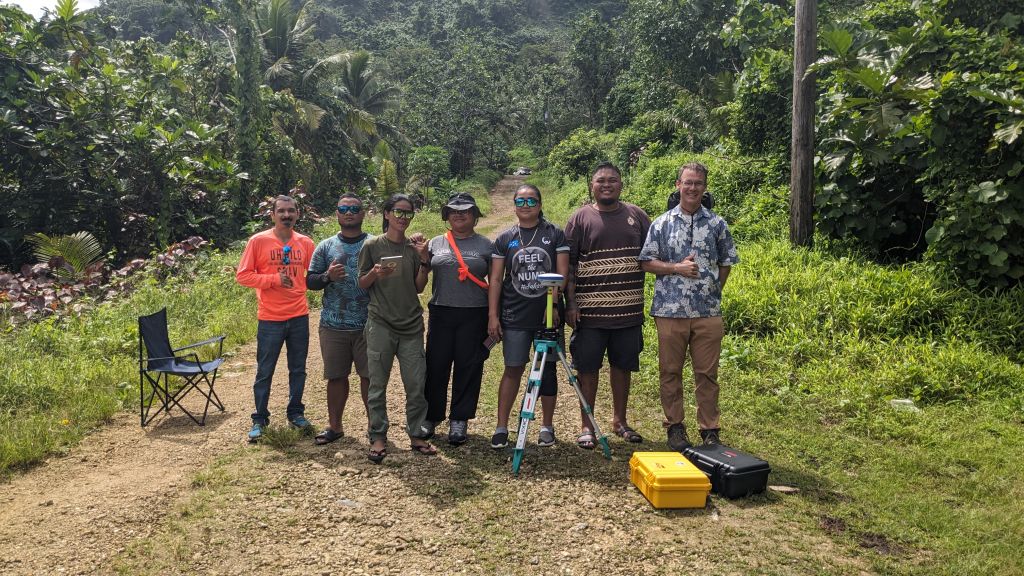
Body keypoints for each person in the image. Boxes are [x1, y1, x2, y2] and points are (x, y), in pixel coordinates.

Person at [639, 162, 739, 450]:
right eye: (688, 182)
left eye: (698, 183)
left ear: (704, 187)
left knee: (707, 373)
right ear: (677, 185)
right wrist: (676, 268)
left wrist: (713, 290)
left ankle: (710, 429)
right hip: (670, 311)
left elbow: (726, 263)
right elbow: (646, 262)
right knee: (670, 371)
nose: (692, 188)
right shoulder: (661, 223)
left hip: (708, 312)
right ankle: (675, 426)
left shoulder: (717, 224)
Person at [564, 162, 651, 449]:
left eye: (612, 180)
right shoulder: (579, 219)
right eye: (601, 180)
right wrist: (571, 304)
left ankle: (619, 421)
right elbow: (570, 265)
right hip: (589, 313)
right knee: (587, 369)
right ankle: (586, 426)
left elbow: (652, 255)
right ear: (592, 185)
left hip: (628, 311)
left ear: (621, 184)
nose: (607, 184)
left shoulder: (636, 216)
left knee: (622, 367)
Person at [487, 184, 569, 449]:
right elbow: (497, 279)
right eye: (520, 202)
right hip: (514, 314)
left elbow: (562, 274)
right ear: (514, 205)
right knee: (513, 368)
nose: (526, 206)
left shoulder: (554, 234)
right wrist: (493, 315)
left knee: (547, 370)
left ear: (540, 204)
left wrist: (553, 305)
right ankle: (501, 426)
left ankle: (546, 426)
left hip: (547, 316)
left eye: (531, 201)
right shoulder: (505, 238)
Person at [357, 194, 435, 462]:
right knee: (377, 384)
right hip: (380, 323)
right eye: (398, 212)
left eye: (408, 214)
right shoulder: (372, 246)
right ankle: (377, 436)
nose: (403, 218)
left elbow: (419, 287)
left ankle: (416, 433)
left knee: (415, 384)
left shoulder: (414, 249)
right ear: (387, 214)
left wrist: (424, 261)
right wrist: (373, 275)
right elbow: (362, 284)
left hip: (411, 325)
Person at [236, 194, 317, 442]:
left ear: (297, 214)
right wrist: (272, 280)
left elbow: (314, 274)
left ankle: (295, 413)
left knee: (298, 369)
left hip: (299, 316)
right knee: (265, 371)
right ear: (272, 215)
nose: (286, 215)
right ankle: (259, 418)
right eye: (281, 211)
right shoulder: (258, 241)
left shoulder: (305, 243)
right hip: (270, 318)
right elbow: (243, 275)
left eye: (291, 211)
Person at [422, 193, 493, 445]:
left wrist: (494, 317)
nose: (459, 214)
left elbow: (495, 285)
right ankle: (431, 416)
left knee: (469, 365)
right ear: (446, 216)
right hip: (441, 311)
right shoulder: (434, 244)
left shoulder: (487, 246)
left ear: (475, 216)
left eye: (466, 211)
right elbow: (420, 282)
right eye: (454, 211)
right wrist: (421, 258)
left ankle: (459, 420)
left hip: (474, 313)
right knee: (435, 364)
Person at [306, 193, 371, 445]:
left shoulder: (374, 244)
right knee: (335, 376)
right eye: (343, 208)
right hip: (333, 324)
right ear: (337, 213)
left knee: (369, 377)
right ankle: (335, 426)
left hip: (369, 324)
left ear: (363, 213)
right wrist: (327, 277)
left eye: (354, 208)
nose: (349, 212)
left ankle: (373, 426)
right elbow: (310, 281)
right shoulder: (325, 246)